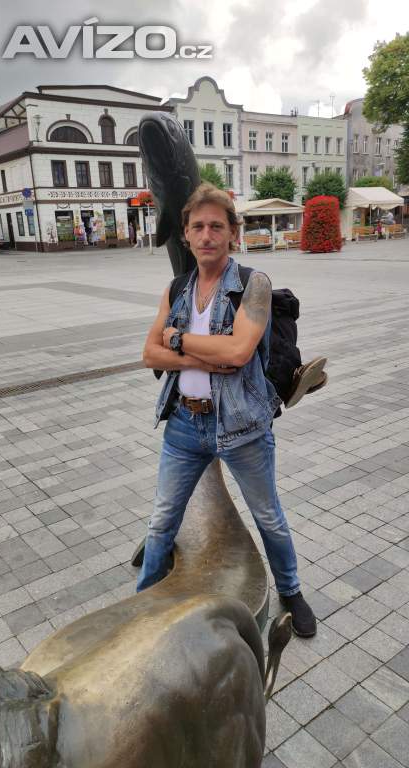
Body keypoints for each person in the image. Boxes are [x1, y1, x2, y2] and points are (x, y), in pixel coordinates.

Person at [137, 183, 317, 637]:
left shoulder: (253, 285)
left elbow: (237, 352)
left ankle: (291, 590)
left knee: (268, 517)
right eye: (198, 226)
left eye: (217, 226)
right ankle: (143, 606)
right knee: (161, 521)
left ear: (233, 233)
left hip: (242, 427)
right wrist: (204, 357)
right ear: (185, 234)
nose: (207, 235)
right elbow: (149, 354)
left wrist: (177, 340)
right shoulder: (177, 288)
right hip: (183, 424)